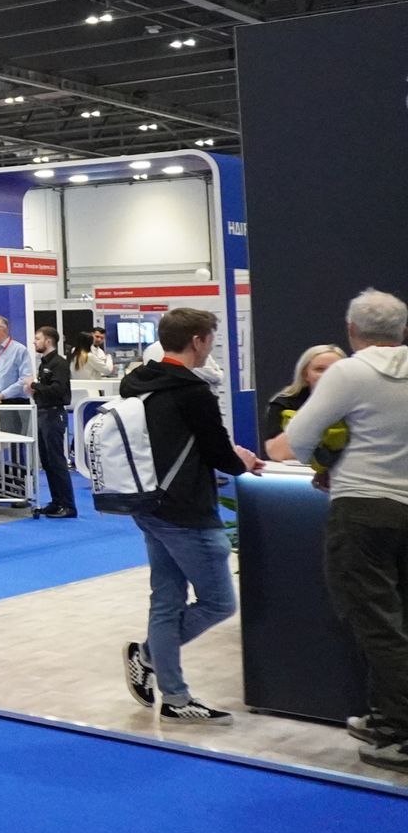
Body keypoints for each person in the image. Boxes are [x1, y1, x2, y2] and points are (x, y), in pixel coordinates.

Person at [269, 289, 408, 770]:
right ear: (403, 331)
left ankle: (399, 733)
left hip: (363, 512)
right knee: (397, 621)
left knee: (377, 624)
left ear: (352, 331)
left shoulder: (349, 372)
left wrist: (312, 460)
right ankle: (387, 716)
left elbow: (297, 439)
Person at [118, 307, 260, 726]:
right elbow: (219, 452)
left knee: (166, 600)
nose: (211, 346)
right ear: (197, 340)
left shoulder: (136, 382)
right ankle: (149, 658)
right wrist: (244, 462)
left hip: (148, 503)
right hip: (187, 510)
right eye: (210, 338)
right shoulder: (192, 392)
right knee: (218, 602)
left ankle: (174, 694)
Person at [28, 326, 76, 518]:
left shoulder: (59, 364)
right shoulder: (44, 363)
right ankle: (57, 501)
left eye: (38, 339)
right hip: (42, 413)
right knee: (47, 461)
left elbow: (57, 390)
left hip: (54, 415)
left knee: (56, 461)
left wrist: (34, 385)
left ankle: (68, 505)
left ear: (48, 341)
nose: (35, 342)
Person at [261, 343, 347, 445]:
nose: (327, 374)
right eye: (319, 369)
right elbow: (273, 449)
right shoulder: (284, 404)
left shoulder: (358, 402)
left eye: (334, 369)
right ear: (305, 374)